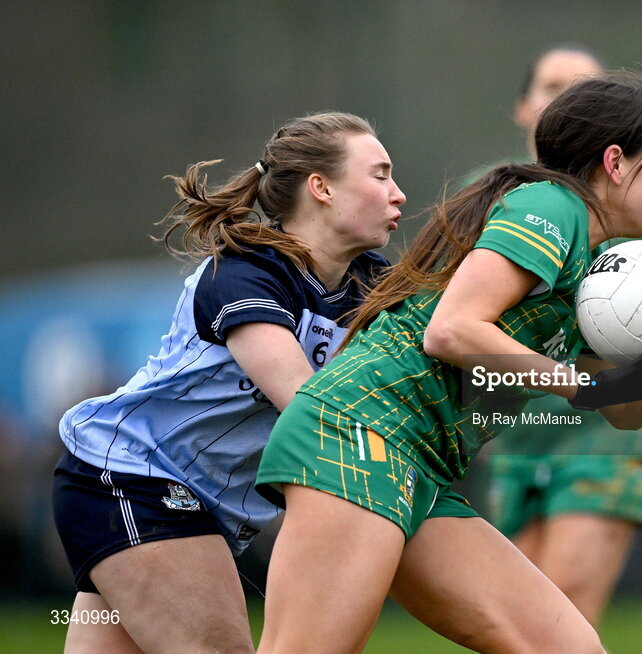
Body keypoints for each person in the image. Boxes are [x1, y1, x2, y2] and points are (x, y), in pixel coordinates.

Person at [254, 72, 642, 654]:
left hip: (421, 468)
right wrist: (578, 386)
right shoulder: (553, 205)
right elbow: (452, 330)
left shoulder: (599, 267)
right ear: (615, 162)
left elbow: (626, 408)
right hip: (359, 433)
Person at [51, 112, 405, 654]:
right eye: (379, 175)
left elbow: (448, 369)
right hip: (132, 481)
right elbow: (307, 406)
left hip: (186, 504)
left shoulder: (371, 284)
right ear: (322, 188)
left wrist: (575, 385)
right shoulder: (243, 271)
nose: (398, 193)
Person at [481, 43, 642, 626]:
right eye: (552, 87)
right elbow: (452, 324)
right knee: (513, 625)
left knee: (561, 613)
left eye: (582, 87)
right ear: (523, 109)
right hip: (520, 429)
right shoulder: (502, 194)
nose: (566, 99)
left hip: (600, 428)